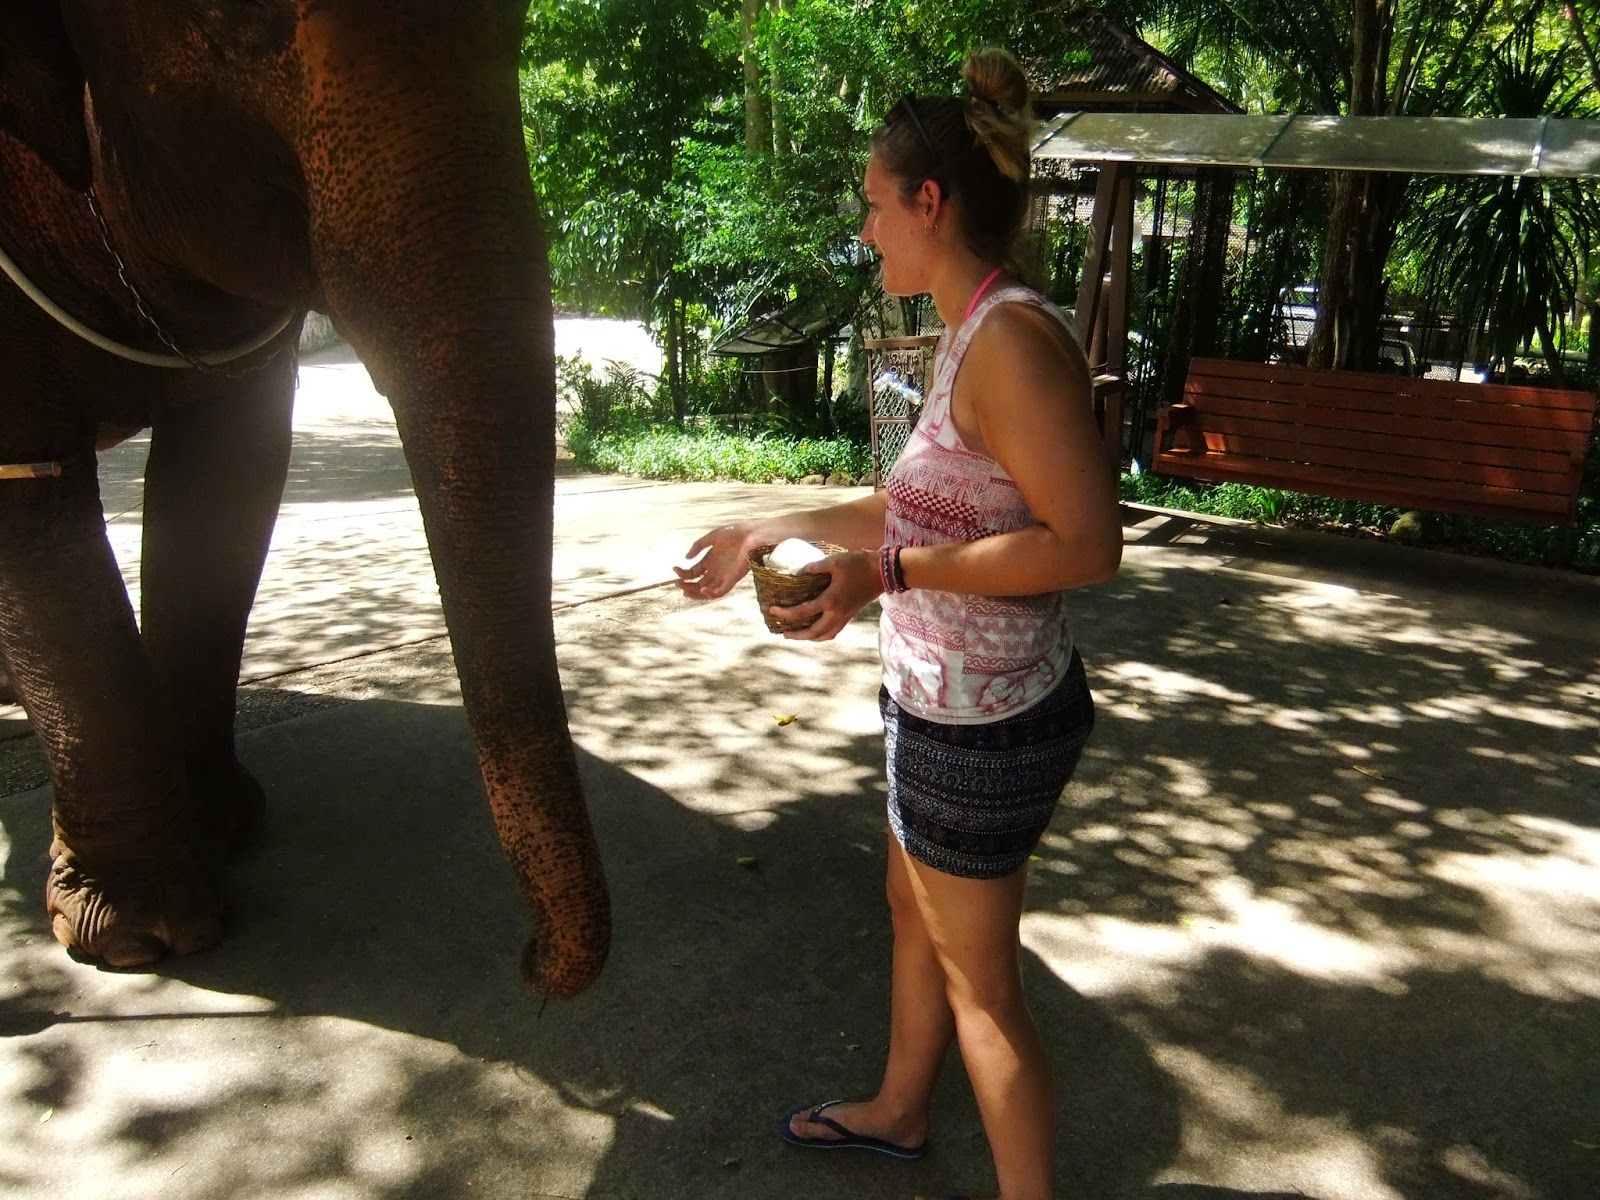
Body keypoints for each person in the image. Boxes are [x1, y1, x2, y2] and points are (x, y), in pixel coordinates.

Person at [673, 47, 1122, 1200]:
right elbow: (915, 503)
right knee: (908, 910)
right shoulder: (967, 328)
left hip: (986, 724)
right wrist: (765, 523)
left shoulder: (1009, 342)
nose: (866, 230)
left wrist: (886, 574)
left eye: (875, 205)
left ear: (929, 202)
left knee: (986, 993)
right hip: (935, 705)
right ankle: (899, 1109)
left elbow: (1086, 544)